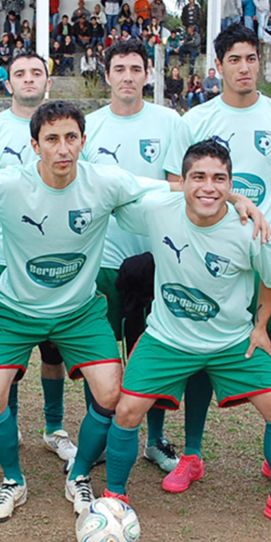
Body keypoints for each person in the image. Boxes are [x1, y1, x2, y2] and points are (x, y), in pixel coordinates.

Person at [0, 102, 259, 520]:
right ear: (34, 145)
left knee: (111, 393)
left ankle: (78, 475)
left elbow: (170, 188)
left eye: (71, 138)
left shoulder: (105, 181)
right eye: (52, 139)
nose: (63, 148)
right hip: (15, 310)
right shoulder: (8, 185)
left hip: (79, 312)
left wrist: (234, 196)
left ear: (83, 140)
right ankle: (13, 480)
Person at [102, 139, 271, 533]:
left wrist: (259, 328)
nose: (208, 187)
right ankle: (114, 497)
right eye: (198, 177)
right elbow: (114, 191)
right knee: (126, 411)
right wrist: (236, 196)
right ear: (181, 181)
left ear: (231, 181)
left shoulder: (250, 230)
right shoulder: (156, 209)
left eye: (220, 179)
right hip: (167, 337)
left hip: (231, 341)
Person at [178, 24, 271, 487]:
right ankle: (191, 453)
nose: (244, 67)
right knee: (199, 355)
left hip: (264, 262)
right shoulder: (195, 120)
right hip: (206, 261)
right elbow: (179, 187)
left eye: (251, 58)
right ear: (217, 67)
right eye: (234, 59)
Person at [81, 38, 208, 477]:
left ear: (148, 74)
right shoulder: (90, 126)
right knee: (101, 353)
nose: (128, 77)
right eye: (120, 69)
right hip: (101, 258)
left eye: (136, 68)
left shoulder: (170, 122)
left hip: (157, 259)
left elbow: (180, 188)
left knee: (149, 350)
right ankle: (99, 440)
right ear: (107, 74)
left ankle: (154, 440)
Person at [0, 53, 81, 467]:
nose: (28, 79)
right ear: (7, 82)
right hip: (3, 259)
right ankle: (8, 423)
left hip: (58, 261)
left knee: (54, 351)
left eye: (36, 73)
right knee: (7, 350)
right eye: (20, 73)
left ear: (47, 82)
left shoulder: (66, 127)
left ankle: (54, 428)